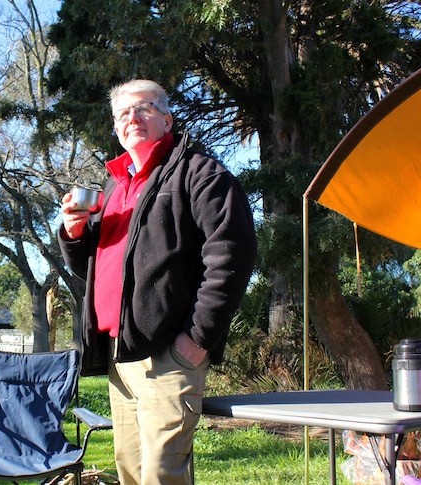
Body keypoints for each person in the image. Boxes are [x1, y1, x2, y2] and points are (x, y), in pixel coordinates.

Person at [58, 79, 257, 484]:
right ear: (116, 128)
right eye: (122, 113)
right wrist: (74, 233)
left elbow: (232, 253)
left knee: (161, 475)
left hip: (169, 355)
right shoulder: (115, 186)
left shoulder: (199, 173)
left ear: (167, 119)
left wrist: (197, 340)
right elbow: (93, 270)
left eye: (144, 108)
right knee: (130, 472)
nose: (132, 118)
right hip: (121, 354)